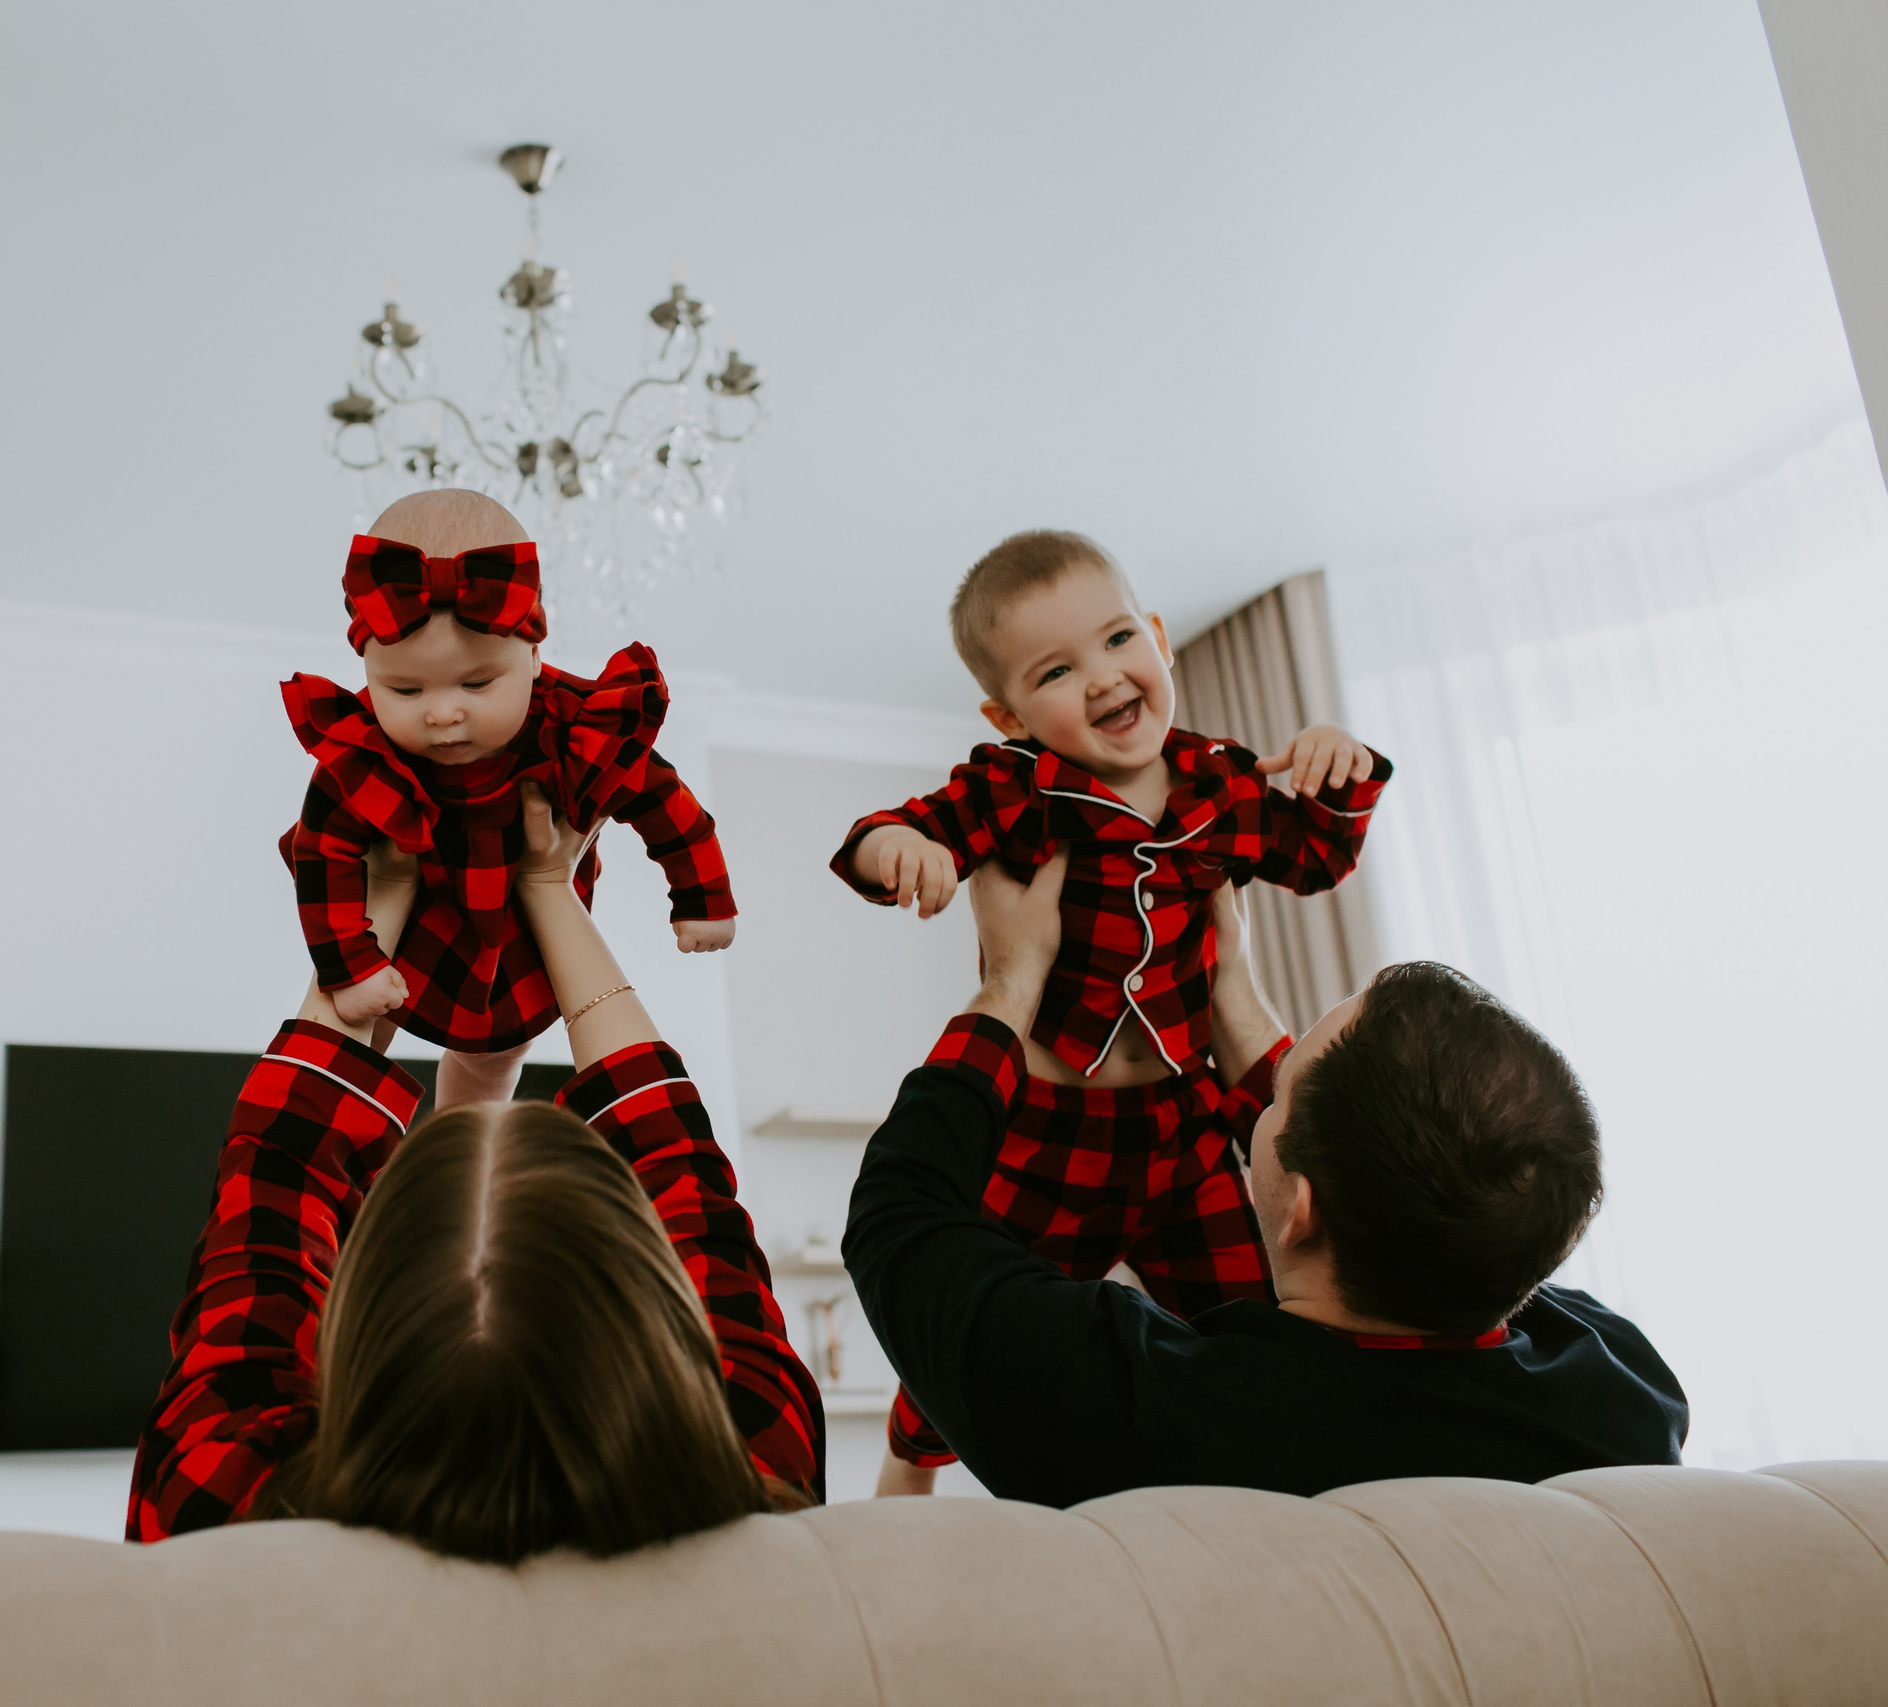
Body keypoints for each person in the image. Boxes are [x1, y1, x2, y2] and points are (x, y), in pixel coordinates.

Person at [843, 852, 1686, 1508]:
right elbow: (1456, 1205)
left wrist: (1011, 981)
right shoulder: (1621, 1391)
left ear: (1304, 1209)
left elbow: (899, 1215)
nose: (1260, 1093)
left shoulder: (1146, 1415)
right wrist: (1238, 1004)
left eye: (1278, 1096)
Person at [128, 783, 820, 1560]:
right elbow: (687, 1181)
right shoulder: (757, 1500)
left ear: (351, 1313)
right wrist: (551, 889)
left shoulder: (223, 1512)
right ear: (651, 1305)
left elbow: (271, 1186)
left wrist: (379, 901)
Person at [829, 529, 1392, 1482]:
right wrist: (897, 853)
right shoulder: (1016, 788)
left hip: (1182, 1117)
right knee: (974, 1314)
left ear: (1161, 638)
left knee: (1250, 1313)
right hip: (1050, 1126)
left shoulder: (1223, 779)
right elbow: (900, 829)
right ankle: (911, 1459)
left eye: (1119, 639)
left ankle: (1266, 1478)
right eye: (1057, 669)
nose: (1102, 678)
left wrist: (1342, 772)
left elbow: (1317, 857)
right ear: (1006, 712)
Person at [280, 487, 735, 1109]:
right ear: (367, 672)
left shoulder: (573, 725)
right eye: (405, 690)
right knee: (353, 1041)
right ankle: (365, 1177)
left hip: (518, 941)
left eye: (477, 682)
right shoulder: (363, 750)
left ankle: (466, 1153)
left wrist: (701, 893)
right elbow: (321, 856)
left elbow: (661, 799)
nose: (443, 713)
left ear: (535, 656)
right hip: (410, 933)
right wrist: (350, 965)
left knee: (491, 1067)